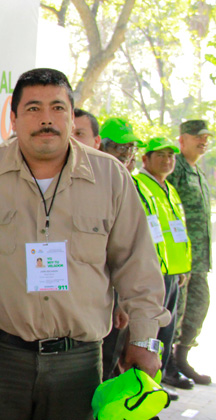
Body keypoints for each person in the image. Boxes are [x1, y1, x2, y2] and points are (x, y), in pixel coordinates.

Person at [0, 68, 169, 420]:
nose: (46, 119)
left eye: (58, 108)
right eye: (33, 108)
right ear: (13, 118)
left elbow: (136, 263)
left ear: (71, 115)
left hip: (78, 363)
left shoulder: (110, 176)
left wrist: (144, 339)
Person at [134, 137, 192, 396]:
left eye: (171, 156)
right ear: (145, 159)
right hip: (152, 273)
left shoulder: (168, 188)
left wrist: (182, 267)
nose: (167, 160)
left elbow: (174, 232)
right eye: (161, 155)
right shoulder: (139, 184)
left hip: (172, 273)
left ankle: (158, 382)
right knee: (150, 334)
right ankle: (144, 385)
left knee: (166, 332)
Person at [165, 119, 213, 386]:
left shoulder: (198, 172)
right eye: (198, 137)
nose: (203, 141)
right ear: (182, 140)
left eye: (206, 137)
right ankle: (169, 364)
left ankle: (183, 357)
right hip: (181, 258)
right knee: (177, 310)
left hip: (200, 258)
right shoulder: (176, 169)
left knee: (198, 306)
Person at [97, 117, 140, 381]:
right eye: (120, 147)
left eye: (131, 148)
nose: (126, 154)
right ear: (101, 146)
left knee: (113, 364)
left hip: (118, 296)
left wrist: (123, 300)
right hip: (95, 299)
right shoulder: (92, 183)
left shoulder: (129, 184)